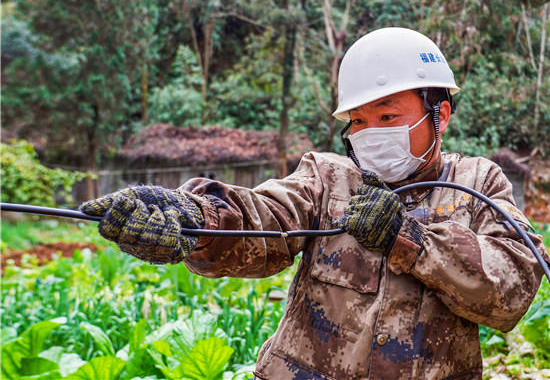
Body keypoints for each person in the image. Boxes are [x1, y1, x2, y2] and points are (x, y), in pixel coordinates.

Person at [80, 27, 549, 379]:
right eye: (360, 121)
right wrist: (194, 219)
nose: (371, 133)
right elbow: (266, 218)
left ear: (439, 114)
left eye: (388, 116)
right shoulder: (327, 178)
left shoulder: (479, 182)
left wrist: (409, 239)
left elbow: (511, 292)